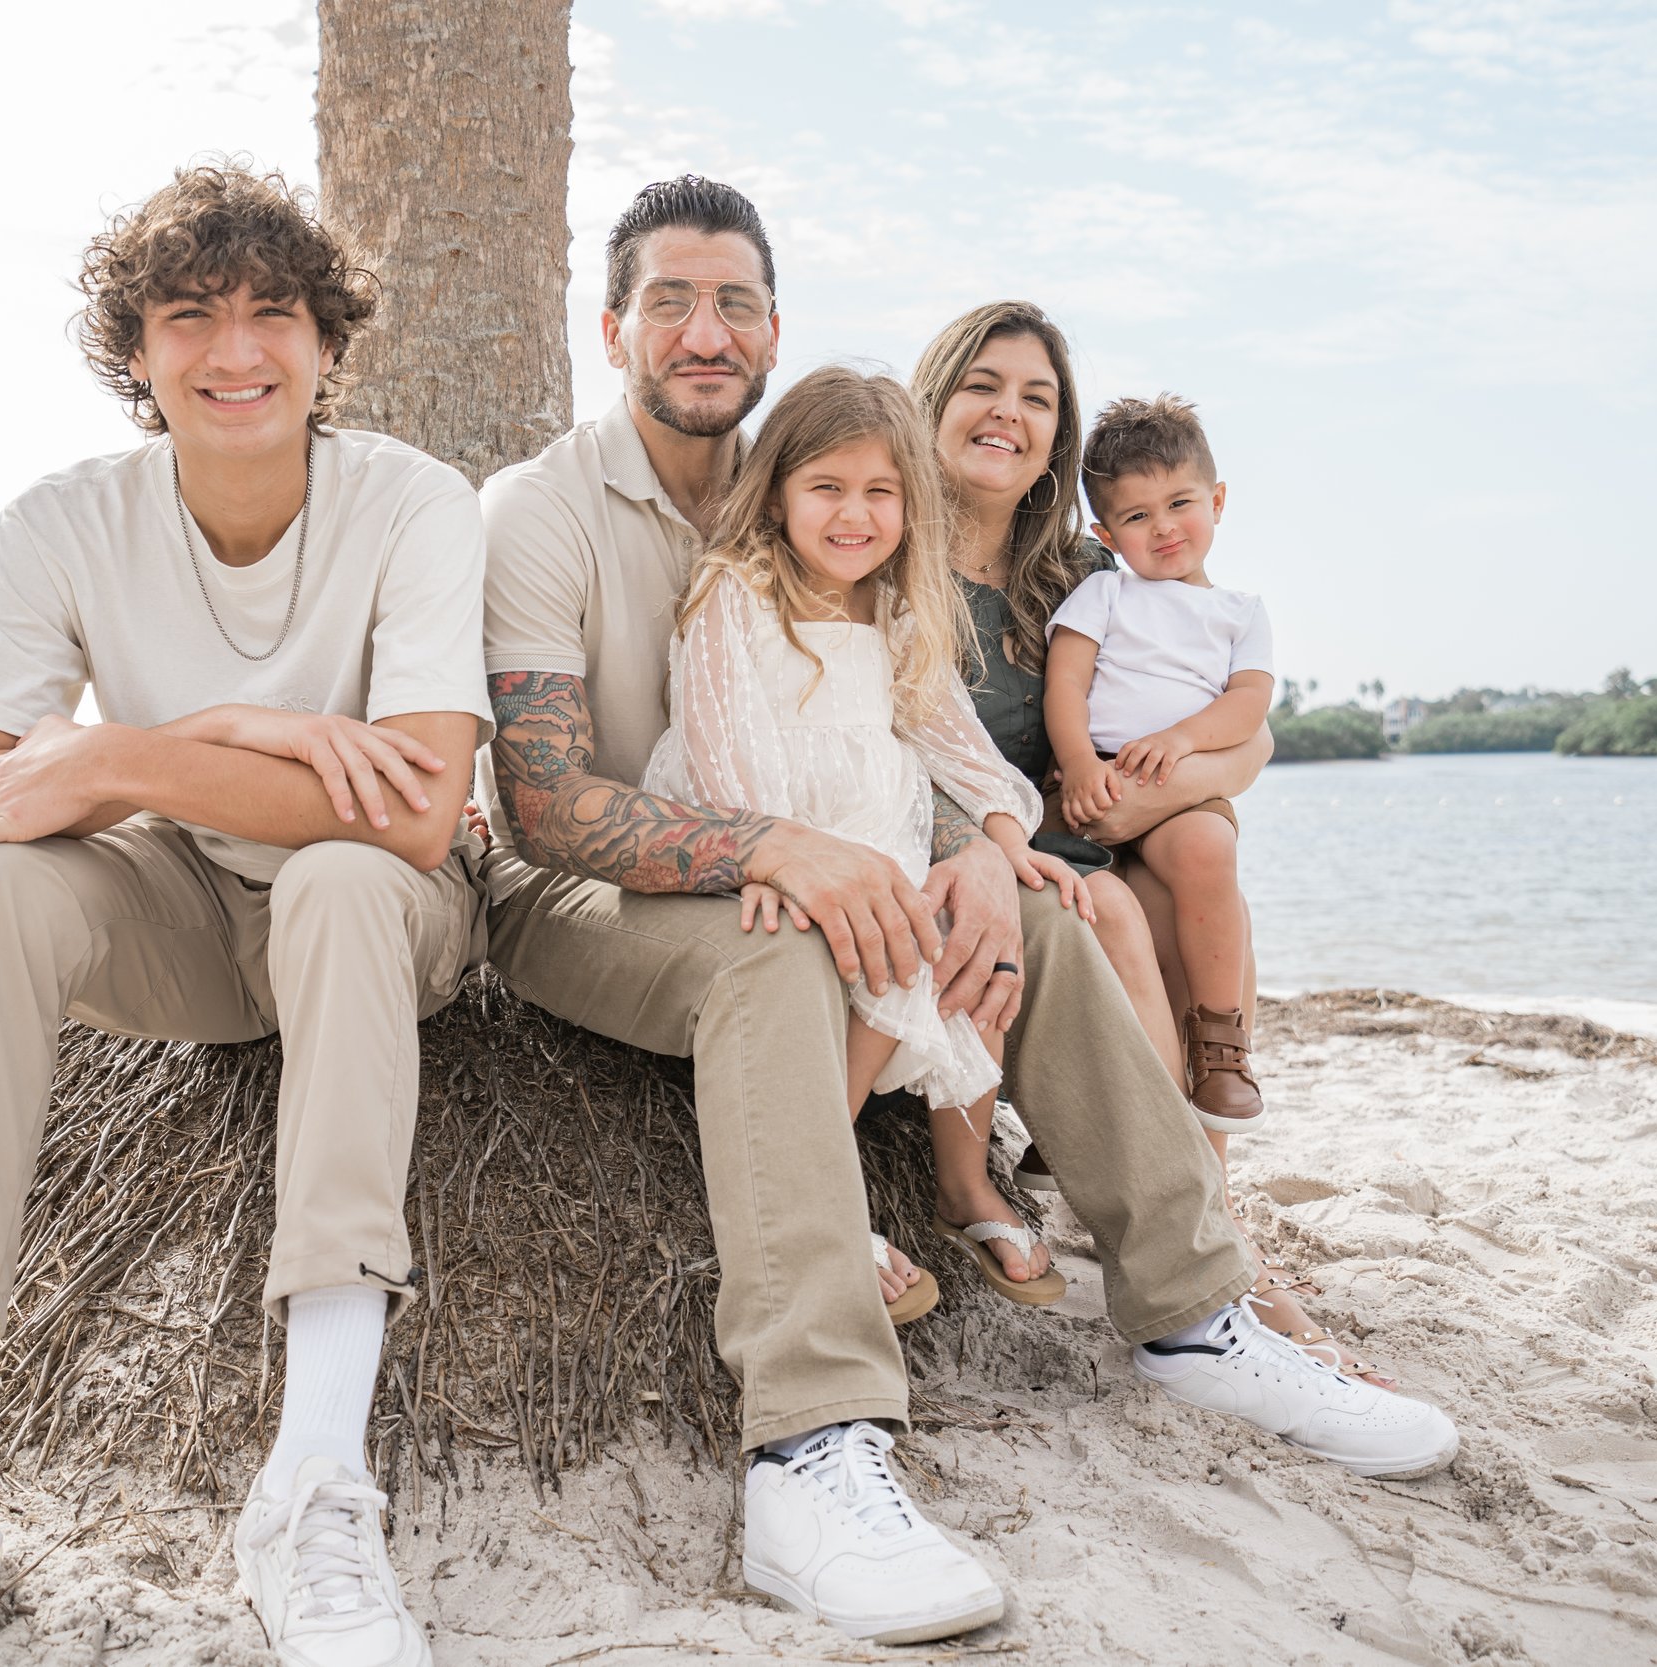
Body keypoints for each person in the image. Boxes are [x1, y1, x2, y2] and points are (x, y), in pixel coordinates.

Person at [478, 178, 1460, 1647]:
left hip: (818, 849)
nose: (705, 327)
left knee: (1050, 921)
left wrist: (992, 850)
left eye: (735, 298)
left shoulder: (829, 473)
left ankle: (1197, 1309)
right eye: (670, 299)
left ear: (772, 327)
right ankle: (810, 1441)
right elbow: (548, 803)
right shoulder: (541, 507)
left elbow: (910, 722)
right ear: (613, 325)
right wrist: (792, 852)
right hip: (588, 890)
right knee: (781, 957)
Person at [0, 161, 486, 1667]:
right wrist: (245, 731)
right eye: (189, 315)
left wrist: (127, 750)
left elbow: (409, 811)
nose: (236, 348)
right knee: (9, 882)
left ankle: (316, 1479)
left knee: (335, 876)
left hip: (387, 910)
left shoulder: (414, 501)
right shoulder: (62, 523)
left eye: (277, 313)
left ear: (332, 346)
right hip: (185, 907)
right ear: (135, 354)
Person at [913, 301, 1398, 1386]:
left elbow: (1249, 726)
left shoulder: (1085, 563)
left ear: (1060, 437)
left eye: (1037, 397)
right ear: (932, 399)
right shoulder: (884, 546)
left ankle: (1210, 1206)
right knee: (1128, 911)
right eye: (983, 385)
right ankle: (1195, 1241)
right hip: (976, 836)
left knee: (1196, 877)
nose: (1008, 413)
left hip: (1093, 825)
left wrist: (1179, 788)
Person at [640, 366, 1088, 1320]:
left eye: (881, 492)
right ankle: (823, 1185)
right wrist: (766, 849)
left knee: (959, 939)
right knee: (884, 950)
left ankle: (965, 1182)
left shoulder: (891, 605)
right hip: (773, 831)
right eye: (828, 488)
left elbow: (946, 734)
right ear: (778, 490)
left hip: (878, 836)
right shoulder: (737, 589)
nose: (856, 515)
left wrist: (1007, 835)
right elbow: (719, 732)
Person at [1049, 392, 1273, 1130]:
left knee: (1210, 850)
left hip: (1181, 785)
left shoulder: (1240, 612)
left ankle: (1220, 1045)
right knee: (1116, 931)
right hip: (1101, 776)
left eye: (1180, 503)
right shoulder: (1104, 592)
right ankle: (1086, 1106)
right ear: (1104, 531)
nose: (1165, 527)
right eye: (1138, 516)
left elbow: (1247, 708)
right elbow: (1067, 683)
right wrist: (1080, 762)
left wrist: (1181, 741)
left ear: (1217, 499)